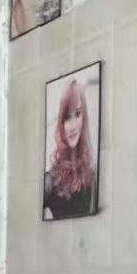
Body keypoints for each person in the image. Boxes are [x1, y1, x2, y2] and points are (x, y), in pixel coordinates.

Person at [43, 79, 97, 220]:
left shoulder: (92, 176)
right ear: (61, 123)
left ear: (83, 118)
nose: (73, 127)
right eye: (67, 117)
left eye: (78, 114)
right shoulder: (50, 181)